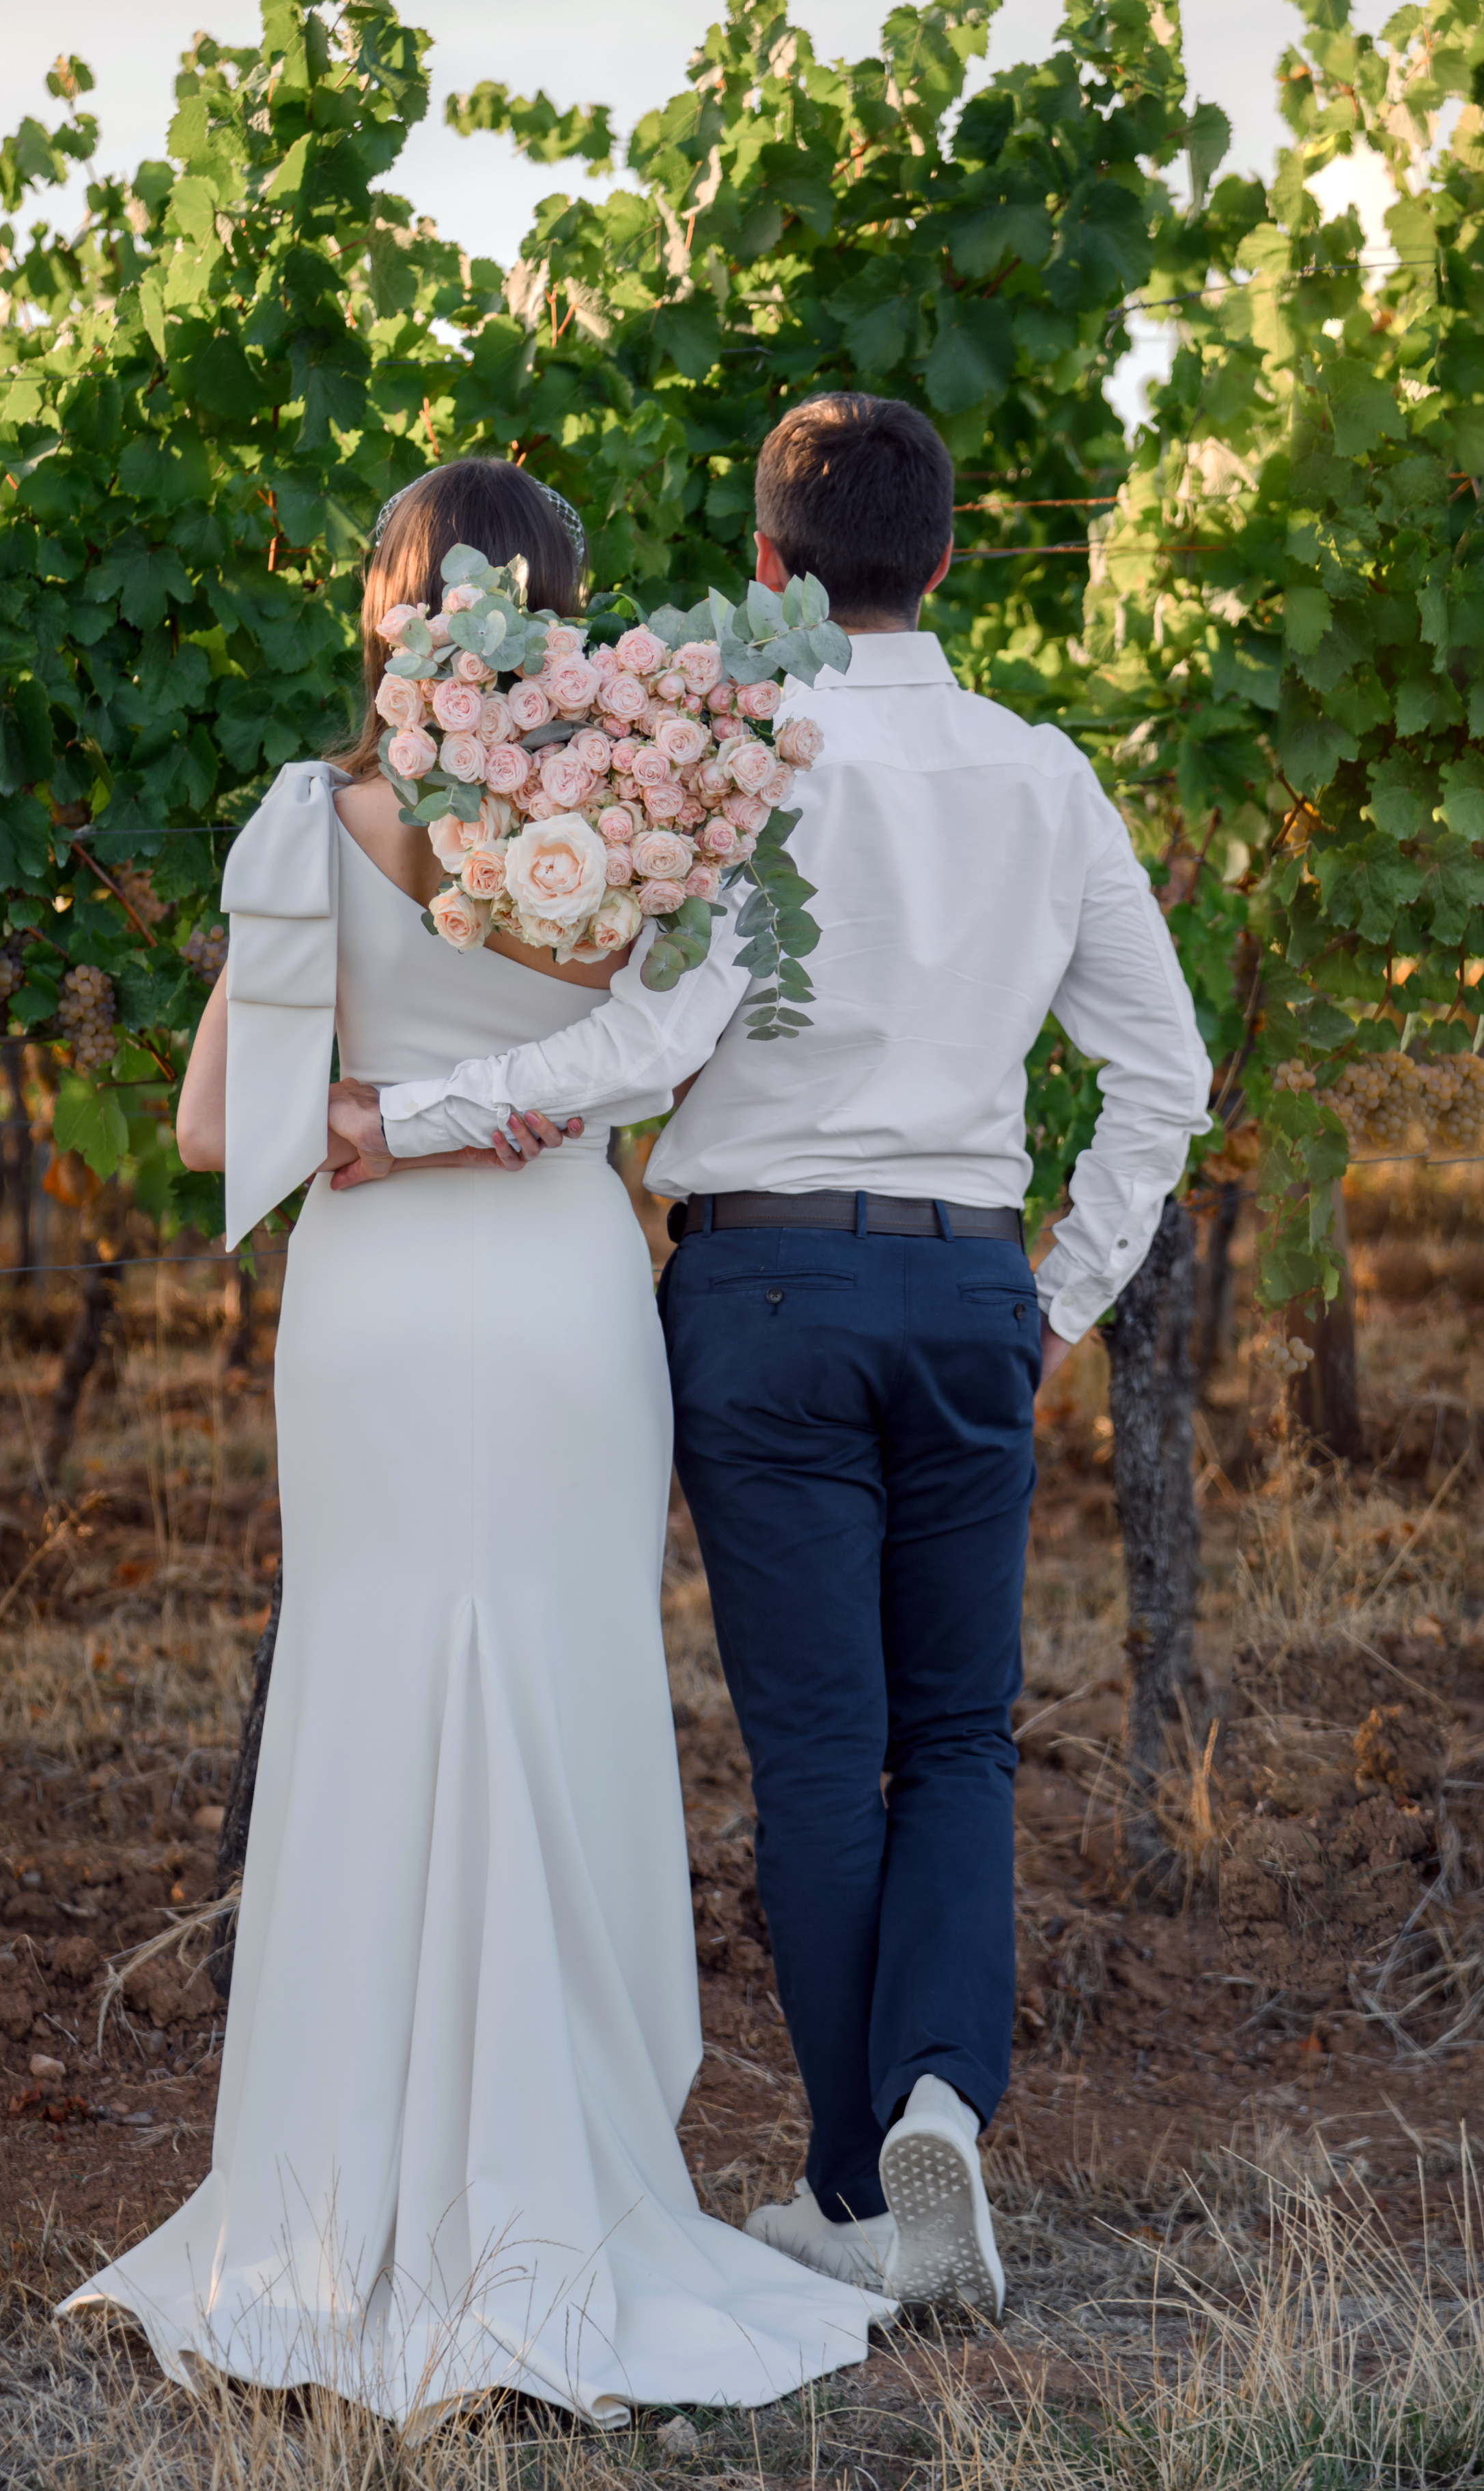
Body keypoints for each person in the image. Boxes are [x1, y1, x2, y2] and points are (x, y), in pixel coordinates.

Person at [331, 394, 1214, 2315]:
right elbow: (1166, 1074)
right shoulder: (1046, 776)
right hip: (971, 1290)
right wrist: (1060, 1297)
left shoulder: (743, 758)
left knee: (821, 1754)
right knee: (959, 1736)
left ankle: (845, 2188)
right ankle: (941, 2108)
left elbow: (649, 1051)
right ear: (949, 560)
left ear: (764, 561)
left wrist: (402, 1117)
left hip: (762, 1294)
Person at [55, 460, 893, 2421]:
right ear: (571, 615)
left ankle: (329, 2206)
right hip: (559, 1299)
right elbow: (666, 1057)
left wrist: (383, 1111)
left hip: (373, 1306)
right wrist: (499, 1109)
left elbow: (214, 1131)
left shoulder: (305, 821)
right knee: (559, 1689)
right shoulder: (653, 809)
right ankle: (561, 2181)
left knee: (369, 1688)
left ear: (382, 611)